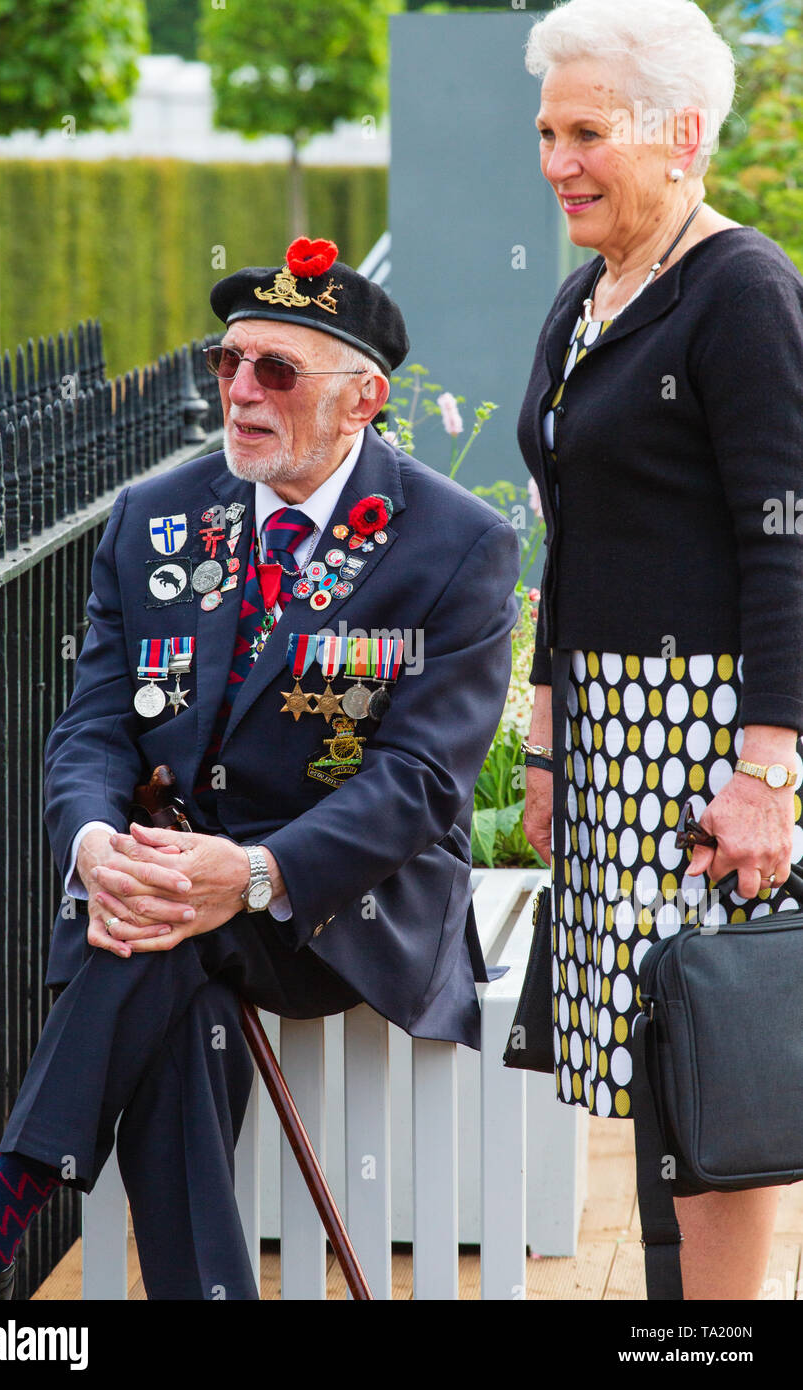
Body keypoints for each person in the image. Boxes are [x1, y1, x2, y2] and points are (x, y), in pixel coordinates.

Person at [0, 236, 519, 1300]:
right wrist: (93, 842)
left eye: (277, 372)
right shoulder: (152, 515)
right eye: (228, 363)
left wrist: (247, 874)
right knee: (170, 954)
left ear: (363, 399)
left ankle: (14, 1181)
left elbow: (420, 784)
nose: (240, 393)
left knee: (163, 932)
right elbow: (93, 731)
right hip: (166, 889)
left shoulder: (455, 544)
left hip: (344, 900)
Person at [517, 0, 803, 1300]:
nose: (557, 159)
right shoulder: (587, 294)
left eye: (587, 131)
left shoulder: (740, 288)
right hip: (604, 739)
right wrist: (541, 737)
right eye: (545, 130)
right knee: (647, 1069)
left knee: (715, 1079)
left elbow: (785, 541)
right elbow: (567, 538)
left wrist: (766, 775)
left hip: (701, 747)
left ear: (680, 134)